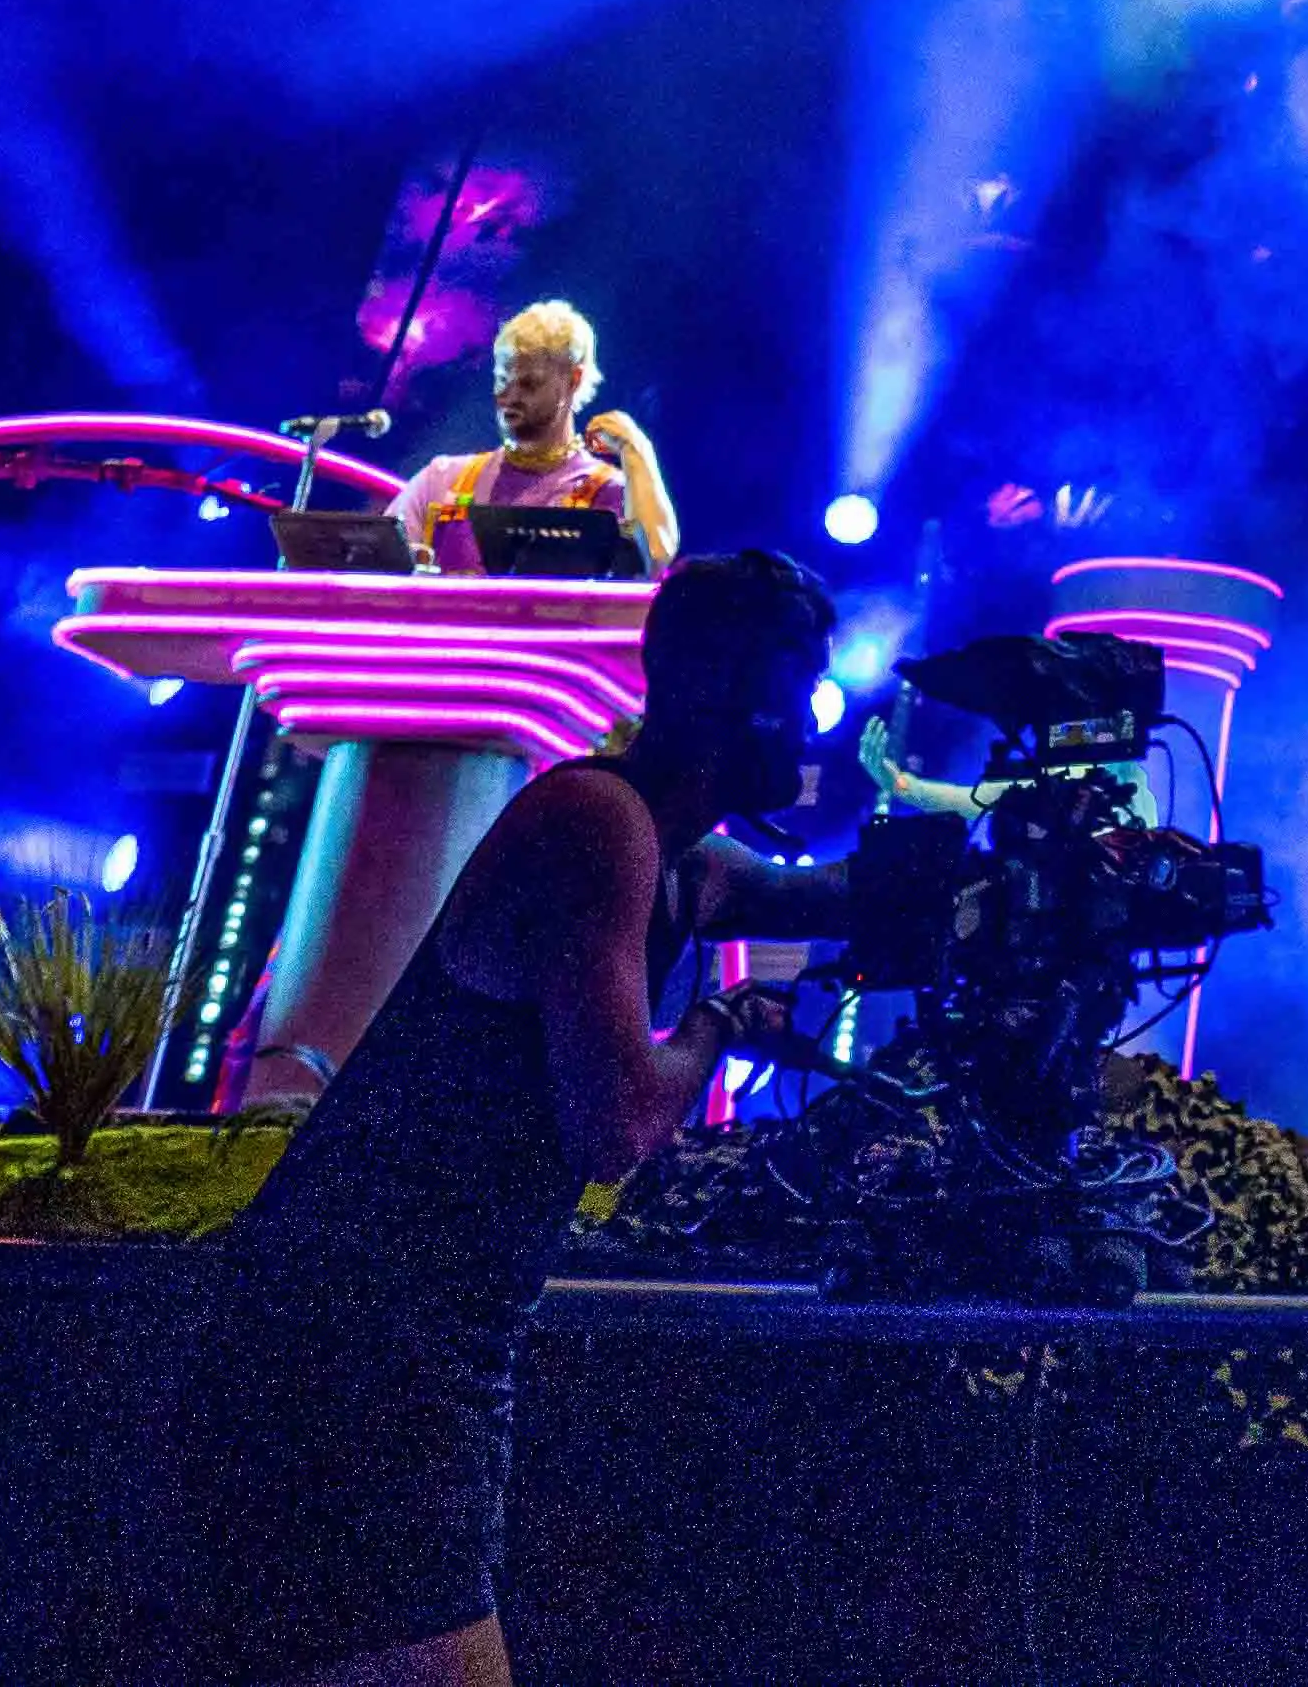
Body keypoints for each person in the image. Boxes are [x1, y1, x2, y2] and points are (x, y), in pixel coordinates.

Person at [159, 539, 842, 1687]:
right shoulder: (597, 824)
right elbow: (614, 1128)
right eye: (800, 693)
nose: (814, 731)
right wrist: (721, 1027)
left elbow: (832, 897)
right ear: (740, 701)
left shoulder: (673, 855)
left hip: (403, 1340)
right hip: (360, 1348)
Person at [408, 301, 675, 581]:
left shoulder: (610, 492)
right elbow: (377, 556)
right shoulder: (444, 477)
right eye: (502, 380)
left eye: (528, 384)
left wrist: (636, 450)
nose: (508, 397)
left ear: (573, 380)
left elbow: (654, 561)